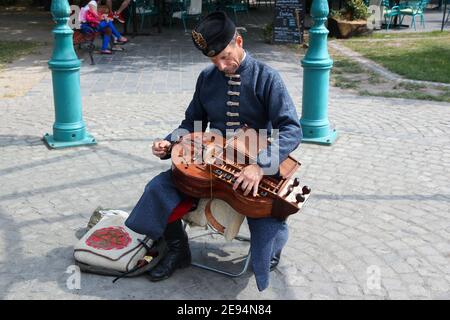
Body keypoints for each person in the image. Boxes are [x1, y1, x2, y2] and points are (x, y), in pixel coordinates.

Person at [125, 11, 302, 291]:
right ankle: (177, 250)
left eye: (225, 57)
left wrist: (261, 165)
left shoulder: (267, 78)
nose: (220, 66)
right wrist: (170, 144)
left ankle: (270, 252)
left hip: (253, 164)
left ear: (239, 42)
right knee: (159, 189)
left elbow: (292, 128)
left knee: (268, 210)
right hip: (208, 162)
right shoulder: (207, 79)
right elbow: (190, 123)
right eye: (213, 60)